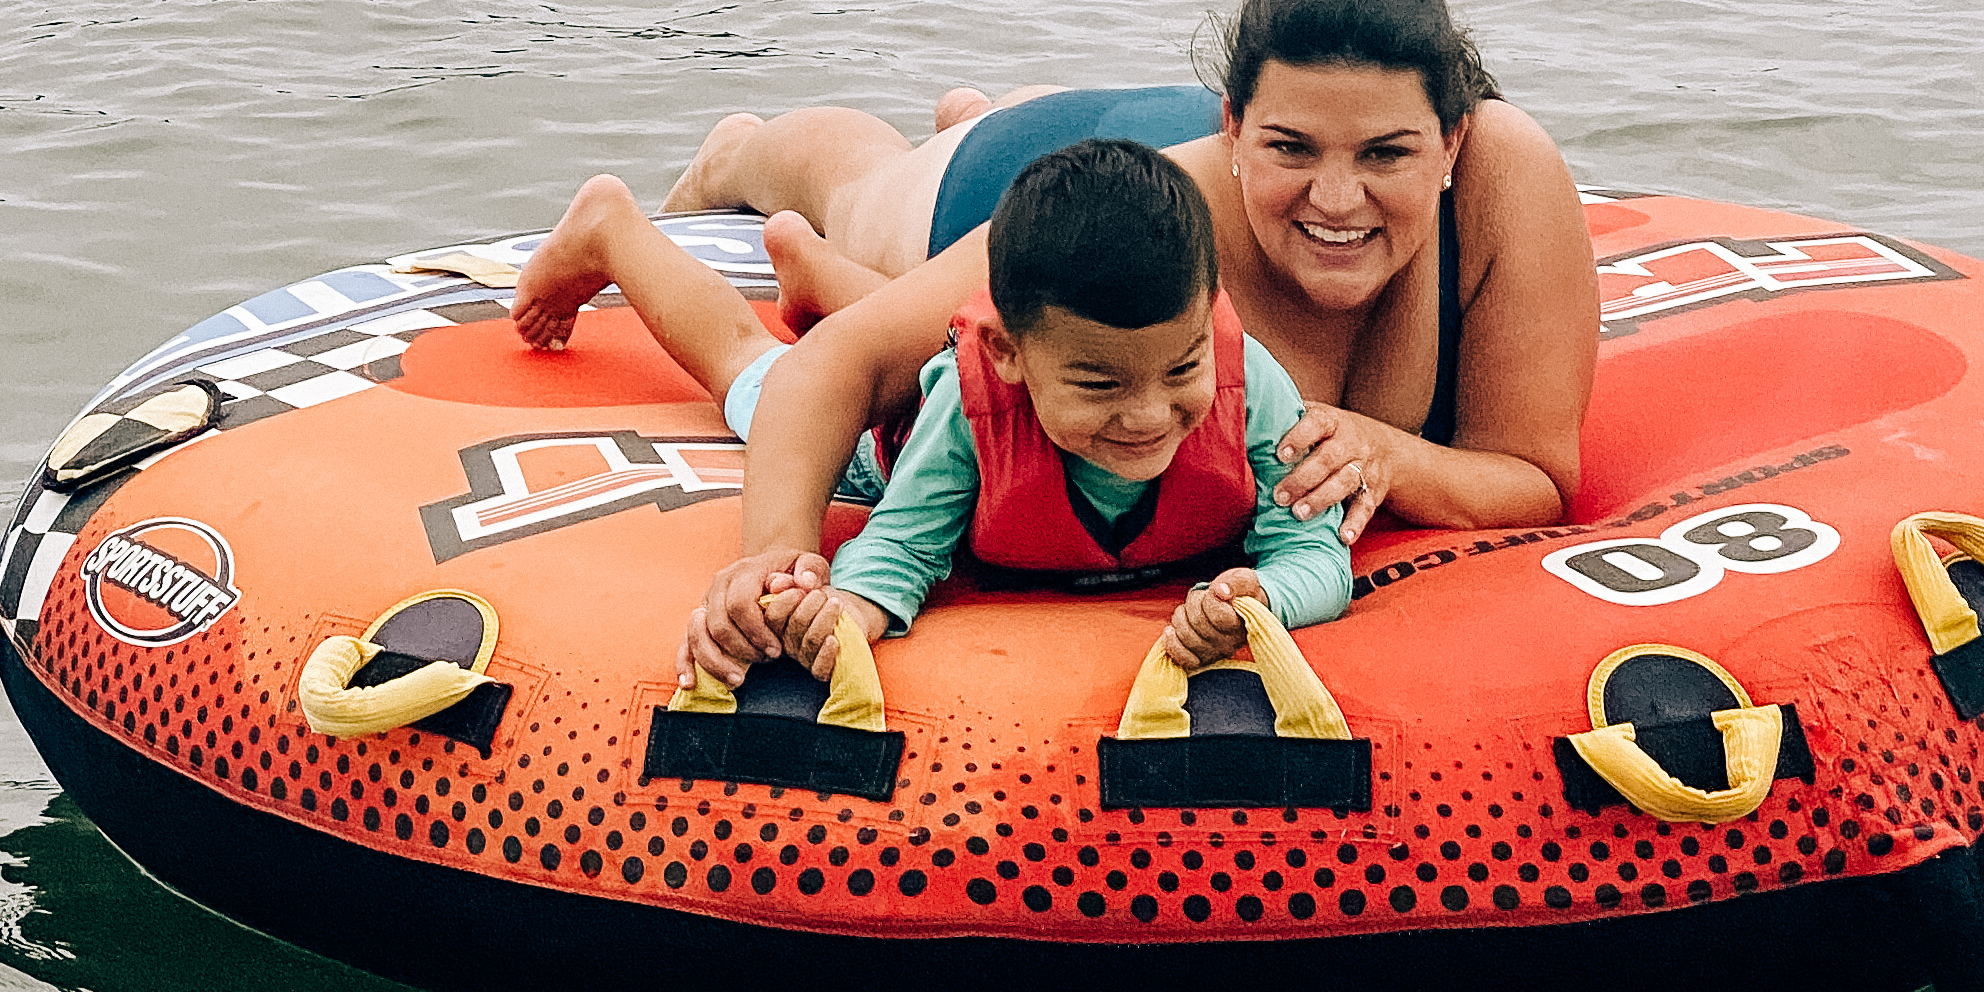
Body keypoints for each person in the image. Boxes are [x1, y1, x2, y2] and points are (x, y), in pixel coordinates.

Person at [575, 0, 1595, 688]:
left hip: (1167, 140)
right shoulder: (1178, 205)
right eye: (1291, 151)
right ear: (1237, 129)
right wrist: (775, 556)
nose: (1337, 198)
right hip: (1034, 182)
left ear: (1450, 138)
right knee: (871, 191)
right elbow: (834, 366)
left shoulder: (1504, 179)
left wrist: (1387, 453)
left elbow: (1537, 472)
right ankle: (753, 150)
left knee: (962, 300)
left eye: (1386, 155)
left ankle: (945, 141)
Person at [509, 138, 1352, 677]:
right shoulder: (968, 402)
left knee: (894, 324)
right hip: (894, 438)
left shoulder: (1250, 386)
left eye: (1181, 370)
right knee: (753, 375)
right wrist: (837, 612)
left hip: (997, 352)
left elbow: (1315, 552)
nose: (1150, 414)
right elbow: (900, 546)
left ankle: (809, 266)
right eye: (1101, 386)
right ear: (1007, 355)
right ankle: (613, 228)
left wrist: (1260, 595)